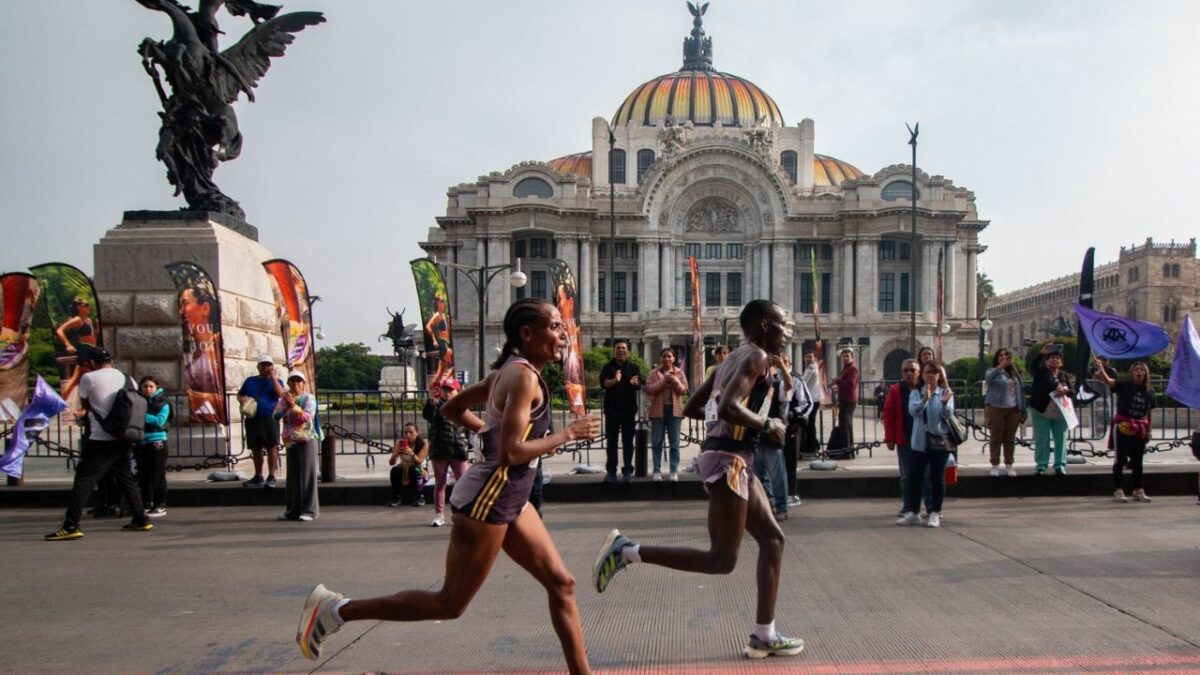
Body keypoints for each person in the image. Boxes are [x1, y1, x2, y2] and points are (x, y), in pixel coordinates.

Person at [296, 298, 601, 673]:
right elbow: (512, 453)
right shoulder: (521, 376)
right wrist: (567, 433)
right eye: (554, 327)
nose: (561, 335)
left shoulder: (511, 371)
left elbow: (451, 409)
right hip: (489, 501)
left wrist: (488, 434)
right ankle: (337, 610)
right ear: (527, 333)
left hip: (511, 496)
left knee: (562, 583)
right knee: (449, 603)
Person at [592, 299, 805, 660]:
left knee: (772, 539)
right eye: (784, 325)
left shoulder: (728, 361)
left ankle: (764, 634)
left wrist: (741, 426)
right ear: (765, 324)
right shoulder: (755, 358)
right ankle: (626, 551)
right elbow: (727, 408)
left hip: (734, 456)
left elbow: (692, 407)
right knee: (722, 560)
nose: (788, 333)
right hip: (730, 460)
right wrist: (766, 423)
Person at [45, 347, 152, 540]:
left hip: (101, 438)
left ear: (92, 363)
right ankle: (140, 518)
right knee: (126, 478)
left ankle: (71, 525)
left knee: (83, 482)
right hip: (124, 436)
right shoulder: (128, 378)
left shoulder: (89, 378)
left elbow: (86, 404)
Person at [897, 362, 956, 528]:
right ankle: (914, 513)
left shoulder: (946, 392)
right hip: (920, 442)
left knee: (937, 478)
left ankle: (935, 512)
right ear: (922, 375)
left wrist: (944, 403)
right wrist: (925, 399)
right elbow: (913, 411)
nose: (931, 375)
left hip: (939, 441)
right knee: (914, 478)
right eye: (928, 372)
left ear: (939, 376)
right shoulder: (916, 392)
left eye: (934, 373)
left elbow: (948, 415)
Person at [1093, 359, 1155, 503]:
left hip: (1140, 428)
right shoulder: (1124, 386)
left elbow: (1149, 413)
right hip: (1123, 426)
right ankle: (1118, 490)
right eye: (1136, 370)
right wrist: (1101, 368)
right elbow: (1108, 381)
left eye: (1142, 370)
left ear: (1146, 374)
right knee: (1120, 459)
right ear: (1131, 373)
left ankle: (1138, 490)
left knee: (1137, 461)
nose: (1139, 372)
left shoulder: (1149, 392)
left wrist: (1148, 430)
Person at [883, 359, 930, 518]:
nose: (909, 373)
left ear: (919, 372)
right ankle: (908, 506)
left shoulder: (927, 388)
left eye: (912, 370)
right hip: (906, 438)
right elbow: (888, 414)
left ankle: (931, 507)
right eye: (905, 371)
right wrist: (889, 438)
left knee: (927, 474)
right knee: (907, 474)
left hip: (926, 438)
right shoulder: (896, 390)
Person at [423, 377, 470, 526]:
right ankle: (439, 514)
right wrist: (430, 403)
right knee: (440, 483)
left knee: (463, 483)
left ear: (457, 391)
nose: (447, 393)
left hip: (458, 449)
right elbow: (428, 415)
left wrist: (468, 444)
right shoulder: (436, 405)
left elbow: (468, 427)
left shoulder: (462, 406)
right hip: (440, 449)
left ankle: (462, 512)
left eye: (450, 390)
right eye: (445, 389)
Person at [276, 371, 320, 522]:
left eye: (299, 381)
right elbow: (275, 415)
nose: (296, 384)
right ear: (288, 384)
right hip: (290, 439)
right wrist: (286, 406)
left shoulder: (309, 398)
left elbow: (307, 416)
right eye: (293, 381)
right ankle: (292, 510)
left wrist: (293, 406)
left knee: (308, 474)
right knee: (293, 476)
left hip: (306, 438)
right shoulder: (284, 399)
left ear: (303, 384)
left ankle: (310, 510)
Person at [754, 354, 793, 520]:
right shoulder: (749, 386)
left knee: (777, 476)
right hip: (754, 437)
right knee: (759, 476)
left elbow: (789, 387)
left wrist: (782, 367)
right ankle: (768, 504)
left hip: (771, 437)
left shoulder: (775, 385)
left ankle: (781, 507)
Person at [238, 354, 285, 488]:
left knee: (271, 447)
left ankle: (271, 476)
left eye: (269, 365)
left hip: (269, 418)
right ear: (258, 367)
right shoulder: (250, 381)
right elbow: (240, 393)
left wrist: (274, 378)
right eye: (263, 365)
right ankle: (258, 475)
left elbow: (280, 394)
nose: (266, 368)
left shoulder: (277, 381)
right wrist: (241, 399)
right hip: (253, 418)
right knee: (256, 448)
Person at [599, 338, 642, 482]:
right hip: (611, 410)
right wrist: (615, 381)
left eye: (623, 348)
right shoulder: (608, 367)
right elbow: (604, 383)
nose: (621, 350)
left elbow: (639, 383)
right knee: (611, 442)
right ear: (614, 351)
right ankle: (611, 471)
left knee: (628, 442)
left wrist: (634, 383)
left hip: (628, 410)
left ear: (628, 351)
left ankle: (627, 471)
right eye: (618, 348)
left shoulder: (634, 367)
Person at [1029, 344, 1073, 476]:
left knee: (1061, 438)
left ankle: (1060, 465)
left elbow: (1072, 391)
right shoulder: (1041, 372)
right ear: (1047, 361)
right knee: (1042, 438)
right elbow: (1033, 366)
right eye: (1051, 358)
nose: (1055, 360)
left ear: (1062, 363)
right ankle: (1041, 465)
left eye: (1057, 358)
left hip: (1061, 412)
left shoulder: (1064, 375)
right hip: (1041, 410)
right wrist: (1041, 354)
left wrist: (1065, 391)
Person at [646, 347, 688, 482]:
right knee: (657, 441)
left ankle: (673, 471)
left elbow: (684, 391)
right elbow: (649, 389)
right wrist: (664, 381)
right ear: (660, 358)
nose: (667, 359)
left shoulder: (680, 372)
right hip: (658, 410)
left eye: (669, 356)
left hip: (674, 411)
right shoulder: (654, 373)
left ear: (674, 359)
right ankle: (657, 470)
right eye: (664, 356)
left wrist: (675, 381)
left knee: (674, 443)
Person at [984, 348, 1025, 478]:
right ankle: (995, 465)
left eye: (1006, 356)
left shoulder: (1013, 373)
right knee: (996, 437)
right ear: (997, 358)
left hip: (1013, 408)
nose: (1003, 357)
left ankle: (1009, 465)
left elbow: (1020, 391)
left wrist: (1023, 409)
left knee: (1009, 438)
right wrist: (1000, 367)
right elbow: (989, 380)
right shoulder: (992, 371)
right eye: (1001, 355)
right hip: (996, 408)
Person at [133, 375, 171, 518]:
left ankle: (160, 503)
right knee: (144, 475)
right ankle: (146, 502)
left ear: (156, 388)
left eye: (151, 386)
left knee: (157, 474)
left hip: (157, 441)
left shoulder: (163, 403)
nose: (148, 389)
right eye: (145, 386)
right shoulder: (139, 401)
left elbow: (160, 421)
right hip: (141, 441)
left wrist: (143, 416)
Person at [54, 296, 99, 403]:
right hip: (85, 349)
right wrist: (68, 344)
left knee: (86, 380)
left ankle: (83, 408)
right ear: (79, 307)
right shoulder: (77, 320)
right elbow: (60, 330)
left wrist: (97, 328)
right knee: (75, 379)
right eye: (86, 305)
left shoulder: (88, 320)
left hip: (92, 350)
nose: (89, 307)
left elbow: (94, 336)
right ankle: (58, 403)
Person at [783, 355, 813, 506]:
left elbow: (807, 403)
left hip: (792, 425)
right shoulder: (773, 379)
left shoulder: (796, 380)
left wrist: (793, 413)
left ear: (789, 363)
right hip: (775, 427)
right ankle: (780, 492)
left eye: (784, 362)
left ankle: (792, 493)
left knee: (790, 460)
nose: (781, 365)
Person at [388, 422, 429, 508]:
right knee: (394, 470)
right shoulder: (400, 443)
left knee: (415, 469)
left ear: (417, 433)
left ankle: (420, 496)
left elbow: (419, 462)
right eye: (405, 433)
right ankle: (396, 497)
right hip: (404, 469)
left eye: (411, 432)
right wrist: (395, 454)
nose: (408, 435)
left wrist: (412, 453)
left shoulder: (423, 444)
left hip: (420, 471)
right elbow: (391, 463)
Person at [831, 348, 860, 447]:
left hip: (849, 399)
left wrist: (837, 381)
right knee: (846, 424)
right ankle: (848, 448)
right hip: (845, 398)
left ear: (852, 357)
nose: (845, 358)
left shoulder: (852, 368)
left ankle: (846, 449)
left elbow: (851, 383)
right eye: (844, 356)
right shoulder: (846, 368)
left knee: (844, 424)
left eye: (848, 356)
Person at [425, 294, 454, 389]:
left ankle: (435, 390)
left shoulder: (444, 315)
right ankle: (438, 388)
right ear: (437, 303)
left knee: (441, 372)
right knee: (447, 368)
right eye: (442, 301)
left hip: (446, 342)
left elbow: (448, 330)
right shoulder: (437, 316)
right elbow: (428, 326)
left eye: (444, 301)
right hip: (442, 343)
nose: (444, 303)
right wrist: (434, 339)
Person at [799, 351, 823, 457]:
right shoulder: (816, 367)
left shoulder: (810, 368)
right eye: (806, 356)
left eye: (810, 356)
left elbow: (803, 382)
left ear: (814, 358)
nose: (808, 358)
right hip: (815, 398)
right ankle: (812, 444)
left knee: (809, 423)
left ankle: (810, 445)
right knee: (811, 423)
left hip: (811, 399)